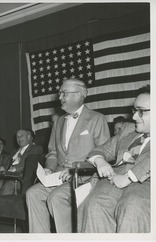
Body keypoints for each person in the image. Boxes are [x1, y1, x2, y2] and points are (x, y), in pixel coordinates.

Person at [26, 78, 110, 233]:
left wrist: (76, 170)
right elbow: (52, 152)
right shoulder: (58, 121)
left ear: (79, 95)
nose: (59, 98)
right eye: (60, 93)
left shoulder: (97, 119)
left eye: (64, 93)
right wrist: (49, 169)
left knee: (57, 197)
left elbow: (106, 154)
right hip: (58, 176)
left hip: (85, 178)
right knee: (33, 193)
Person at [78, 85, 150, 233]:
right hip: (114, 180)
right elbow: (99, 150)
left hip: (147, 184)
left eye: (141, 111)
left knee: (132, 208)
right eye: (134, 110)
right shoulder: (128, 131)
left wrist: (129, 177)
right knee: (93, 205)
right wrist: (100, 161)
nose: (134, 116)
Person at [0, 129, 43, 195]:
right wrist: (2, 166)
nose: (19, 138)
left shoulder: (36, 148)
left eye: (21, 136)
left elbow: (30, 163)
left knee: (8, 186)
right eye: (17, 137)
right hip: (6, 176)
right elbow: (5, 161)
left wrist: (15, 168)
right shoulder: (14, 151)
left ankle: (0, 204)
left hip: (19, 178)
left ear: (28, 136)